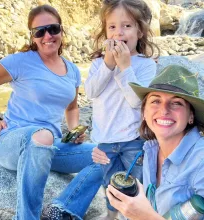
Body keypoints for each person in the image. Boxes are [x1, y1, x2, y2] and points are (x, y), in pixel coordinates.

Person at [0, 5, 102, 220]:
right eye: (39, 31)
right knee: (42, 135)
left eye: (52, 29)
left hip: (49, 145)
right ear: (32, 36)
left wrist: (74, 130)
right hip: (13, 142)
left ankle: (62, 209)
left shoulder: (73, 70)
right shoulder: (20, 62)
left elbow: (72, 107)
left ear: (61, 31)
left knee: (105, 155)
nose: (47, 36)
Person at [100, 64, 204, 219]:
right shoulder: (151, 151)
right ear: (144, 113)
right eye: (155, 101)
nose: (164, 110)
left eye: (176, 103)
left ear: (191, 116)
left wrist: (145, 217)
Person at [85, 0, 159, 219]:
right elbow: (91, 92)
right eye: (112, 27)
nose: (119, 32)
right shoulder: (99, 63)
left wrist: (125, 67)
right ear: (105, 31)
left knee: (135, 183)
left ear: (140, 30)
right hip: (105, 139)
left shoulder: (146, 65)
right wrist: (108, 64)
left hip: (133, 139)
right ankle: (111, 215)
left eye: (126, 26)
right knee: (109, 183)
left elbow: (137, 102)